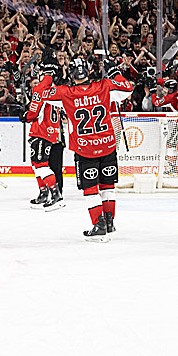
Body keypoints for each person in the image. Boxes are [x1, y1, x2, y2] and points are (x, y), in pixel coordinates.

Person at [44, 58, 135, 242]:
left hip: (85, 149)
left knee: (90, 188)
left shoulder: (65, 93)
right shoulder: (105, 86)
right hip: (108, 144)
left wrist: (49, 75)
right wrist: (114, 72)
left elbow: (42, 94)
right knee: (108, 185)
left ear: (70, 74)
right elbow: (127, 87)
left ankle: (99, 224)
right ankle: (109, 222)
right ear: (88, 70)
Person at [20, 62, 64, 210]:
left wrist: (26, 116)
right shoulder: (56, 90)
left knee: (40, 165)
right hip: (52, 131)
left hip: (41, 130)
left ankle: (55, 194)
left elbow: (34, 112)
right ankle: (44, 193)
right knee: (36, 164)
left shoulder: (39, 88)